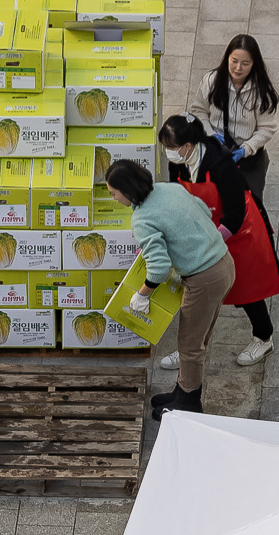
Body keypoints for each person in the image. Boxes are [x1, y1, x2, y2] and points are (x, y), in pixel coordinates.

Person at [104, 158, 232, 423]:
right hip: (224, 263)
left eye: (113, 193)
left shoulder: (142, 218)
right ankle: (182, 389)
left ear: (127, 191)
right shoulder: (168, 188)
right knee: (198, 339)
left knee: (189, 345)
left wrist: (141, 295)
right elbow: (203, 211)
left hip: (203, 278)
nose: (113, 198)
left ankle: (189, 404)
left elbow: (159, 269)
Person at [156, 115, 279, 371]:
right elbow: (176, 195)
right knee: (196, 293)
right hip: (203, 226)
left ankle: (263, 337)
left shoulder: (221, 164)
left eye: (172, 147)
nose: (168, 153)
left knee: (248, 290)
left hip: (238, 231)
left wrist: (211, 243)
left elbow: (234, 214)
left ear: (189, 145)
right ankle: (189, 349)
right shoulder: (178, 164)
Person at [188, 34, 279, 206]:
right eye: (234, 61)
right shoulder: (212, 81)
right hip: (214, 152)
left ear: (254, 64)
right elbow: (198, 110)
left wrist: (246, 149)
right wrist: (210, 134)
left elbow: (267, 129)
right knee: (212, 203)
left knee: (250, 206)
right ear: (227, 58)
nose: (238, 68)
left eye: (245, 64)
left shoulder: (261, 92)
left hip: (248, 158)